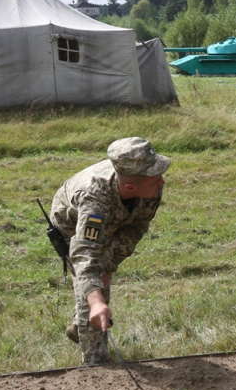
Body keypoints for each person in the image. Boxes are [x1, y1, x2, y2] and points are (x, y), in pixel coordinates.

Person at [50, 137, 169, 364]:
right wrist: (96, 301)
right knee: (95, 289)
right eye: (156, 178)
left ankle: (80, 326)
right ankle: (96, 364)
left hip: (117, 217)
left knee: (101, 275)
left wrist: (109, 265)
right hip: (72, 225)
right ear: (130, 187)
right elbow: (85, 253)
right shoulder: (94, 201)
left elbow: (136, 227)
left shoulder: (150, 185)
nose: (162, 181)